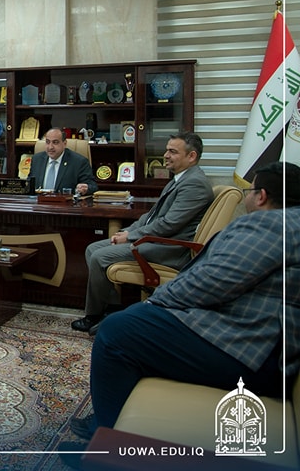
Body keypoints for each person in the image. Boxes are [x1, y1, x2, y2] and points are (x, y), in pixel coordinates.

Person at [67, 161, 299, 444]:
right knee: (132, 322)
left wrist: (154, 303)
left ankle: (106, 444)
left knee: (115, 331)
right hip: (257, 340)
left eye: (249, 191)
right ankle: (117, 418)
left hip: (251, 350)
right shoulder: (289, 224)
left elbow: (210, 282)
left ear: (261, 196)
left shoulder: (271, 225)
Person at [71, 132, 214, 332]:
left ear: (191, 156)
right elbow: (151, 216)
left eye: (172, 152)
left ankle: (93, 315)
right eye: (167, 150)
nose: (165, 155)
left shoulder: (194, 183)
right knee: (92, 249)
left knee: (99, 256)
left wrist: (130, 237)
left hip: (170, 248)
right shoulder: (180, 179)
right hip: (156, 240)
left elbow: (169, 225)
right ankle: (112, 308)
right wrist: (126, 231)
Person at [28, 128, 97, 196]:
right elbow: (29, 184)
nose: (50, 147)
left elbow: (92, 186)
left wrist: (85, 188)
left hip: (66, 202)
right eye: (47, 142)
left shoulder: (79, 162)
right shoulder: (37, 159)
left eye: (55, 142)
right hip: (39, 202)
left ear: (64, 144)